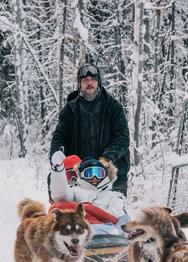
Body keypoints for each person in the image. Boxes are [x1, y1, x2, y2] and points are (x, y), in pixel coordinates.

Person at [50, 63, 131, 196]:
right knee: (79, 214)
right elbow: (60, 137)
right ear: (79, 83)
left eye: (93, 79)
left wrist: (106, 158)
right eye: (85, 80)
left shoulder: (113, 107)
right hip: (79, 175)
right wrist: (57, 157)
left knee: (114, 213)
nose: (89, 83)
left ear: (98, 82)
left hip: (111, 174)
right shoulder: (69, 110)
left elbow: (122, 137)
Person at [50, 153, 126, 221]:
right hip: (79, 231)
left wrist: (91, 212)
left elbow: (115, 215)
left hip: (105, 231)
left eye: (99, 173)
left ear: (105, 175)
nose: (95, 178)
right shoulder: (75, 191)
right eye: (89, 174)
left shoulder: (114, 195)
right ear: (82, 175)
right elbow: (60, 197)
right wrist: (58, 170)